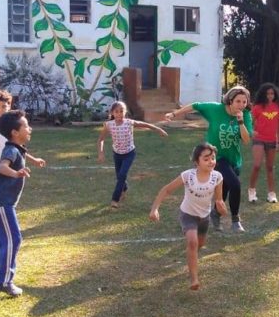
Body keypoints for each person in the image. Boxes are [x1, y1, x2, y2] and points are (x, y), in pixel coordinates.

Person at [165, 86, 252, 233]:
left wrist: (241, 122)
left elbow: (246, 140)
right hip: (216, 157)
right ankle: (236, 220)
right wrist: (174, 113)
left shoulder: (246, 115)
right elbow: (196, 105)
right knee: (235, 184)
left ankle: (215, 214)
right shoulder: (216, 109)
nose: (242, 105)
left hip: (234, 159)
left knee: (224, 190)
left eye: (244, 102)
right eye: (238, 101)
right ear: (230, 101)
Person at [149, 143, 228, 291]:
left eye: (213, 158)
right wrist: (155, 209)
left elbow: (219, 199)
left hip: (204, 217)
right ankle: (194, 278)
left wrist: (221, 207)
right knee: (192, 242)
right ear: (196, 162)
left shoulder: (217, 177)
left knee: (199, 244)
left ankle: (192, 258)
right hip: (187, 214)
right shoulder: (188, 176)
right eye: (206, 159)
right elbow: (166, 190)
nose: (211, 161)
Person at [0, 89, 46, 237]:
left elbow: (18, 149)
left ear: (9, 105)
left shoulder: (12, 123)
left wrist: (33, 160)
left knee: (6, 195)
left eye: (4, 106)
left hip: (10, 166)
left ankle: (1, 223)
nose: (0, 109)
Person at [0, 110, 39, 297]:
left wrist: (34, 160)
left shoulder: (17, 148)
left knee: (0, 236)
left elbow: (22, 155)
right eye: (25, 126)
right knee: (13, 238)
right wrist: (16, 173)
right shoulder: (11, 150)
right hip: (1, 203)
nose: (29, 128)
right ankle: (4, 280)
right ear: (15, 132)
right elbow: (2, 167)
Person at [97, 101, 168, 209]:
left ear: (125, 112)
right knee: (120, 176)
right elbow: (100, 139)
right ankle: (124, 188)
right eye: (117, 112)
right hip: (117, 154)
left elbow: (144, 124)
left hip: (129, 153)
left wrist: (158, 129)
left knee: (122, 175)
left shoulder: (129, 122)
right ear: (112, 113)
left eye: (122, 111)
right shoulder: (108, 125)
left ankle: (115, 200)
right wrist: (101, 153)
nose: (120, 114)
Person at [248, 83, 279, 203]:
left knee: (270, 167)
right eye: (268, 93)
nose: (270, 96)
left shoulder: (278, 107)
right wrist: (251, 131)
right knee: (257, 165)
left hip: (272, 140)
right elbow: (250, 122)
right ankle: (252, 191)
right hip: (259, 139)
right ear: (263, 94)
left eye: (272, 93)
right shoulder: (257, 107)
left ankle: (271, 193)